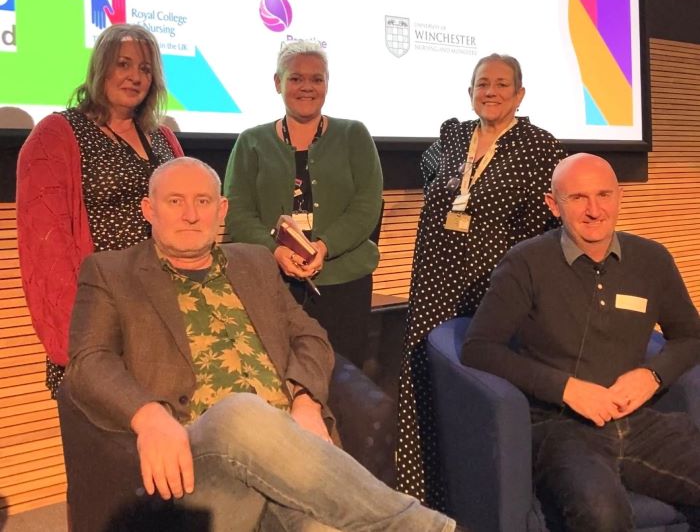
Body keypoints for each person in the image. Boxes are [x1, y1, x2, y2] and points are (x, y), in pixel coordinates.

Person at [62, 157, 466, 532]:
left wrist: (305, 399)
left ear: (221, 210)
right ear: (149, 210)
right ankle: (424, 526)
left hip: (287, 452)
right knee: (240, 411)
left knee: (322, 526)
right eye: (174, 201)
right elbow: (87, 359)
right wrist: (148, 417)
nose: (190, 214)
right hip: (195, 447)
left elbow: (308, 335)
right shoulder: (111, 272)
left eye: (202, 201)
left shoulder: (253, 262)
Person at [461, 153, 700, 531]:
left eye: (604, 195)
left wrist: (652, 376)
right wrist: (567, 388)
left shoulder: (651, 259)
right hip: (562, 426)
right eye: (577, 198)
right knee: (603, 515)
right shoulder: (525, 262)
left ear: (619, 197)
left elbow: (690, 336)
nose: (594, 210)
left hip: (641, 422)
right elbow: (479, 349)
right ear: (553, 205)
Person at [397, 53, 566, 507]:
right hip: (434, 282)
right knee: (424, 379)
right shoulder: (451, 135)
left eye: (501, 84)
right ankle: (422, 495)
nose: (490, 92)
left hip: (495, 290)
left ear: (520, 94)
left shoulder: (541, 146)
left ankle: (475, 492)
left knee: (478, 385)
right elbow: (433, 183)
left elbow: (549, 225)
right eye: (482, 84)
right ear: (470, 91)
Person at [16, 23, 184, 397]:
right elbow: (44, 249)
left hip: (165, 317)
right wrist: (79, 339)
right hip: (100, 316)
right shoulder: (57, 134)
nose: (134, 77)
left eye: (144, 69)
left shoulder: (163, 137)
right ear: (100, 68)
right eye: (123, 64)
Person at [223, 40, 383, 368]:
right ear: (277, 82)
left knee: (344, 381)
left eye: (317, 78)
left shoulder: (354, 135)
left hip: (343, 284)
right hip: (272, 282)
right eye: (296, 78)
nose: (306, 87)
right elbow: (237, 211)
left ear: (327, 84)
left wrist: (323, 247)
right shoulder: (251, 141)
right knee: (279, 374)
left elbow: (366, 205)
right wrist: (275, 250)